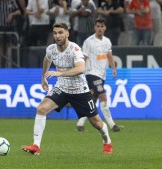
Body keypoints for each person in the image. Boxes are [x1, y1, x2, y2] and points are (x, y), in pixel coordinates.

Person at [22, 22, 113, 155]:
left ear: (67, 33)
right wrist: (43, 78)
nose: (57, 36)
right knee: (41, 109)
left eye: (60, 33)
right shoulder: (51, 49)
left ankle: (107, 141)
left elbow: (81, 68)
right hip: (62, 88)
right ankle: (36, 146)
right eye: (55, 33)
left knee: (97, 123)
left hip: (80, 91)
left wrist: (60, 73)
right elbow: (47, 60)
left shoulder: (74, 49)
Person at [76, 17, 121, 132]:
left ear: (105, 28)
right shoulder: (88, 41)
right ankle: (112, 124)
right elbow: (83, 57)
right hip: (91, 73)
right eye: (98, 26)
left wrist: (113, 69)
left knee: (93, 100)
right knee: (103, 96)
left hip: (102, 74)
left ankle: (80, 123)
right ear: (94, 28)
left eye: (102, 26)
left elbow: (109, 55)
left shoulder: (107, 41)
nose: (100, 28)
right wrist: (79, 70)